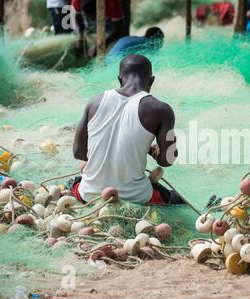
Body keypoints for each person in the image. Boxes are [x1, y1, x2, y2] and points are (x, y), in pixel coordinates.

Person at [72, 54, 183, 205]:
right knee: (175, 199)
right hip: (136, 197)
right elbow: (167, 160)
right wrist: (153, 151)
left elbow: (78, 152)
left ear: (120, 78)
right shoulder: (161, 109)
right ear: (151, 80)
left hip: (88, 194)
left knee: (75, 182)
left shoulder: (94, 102)